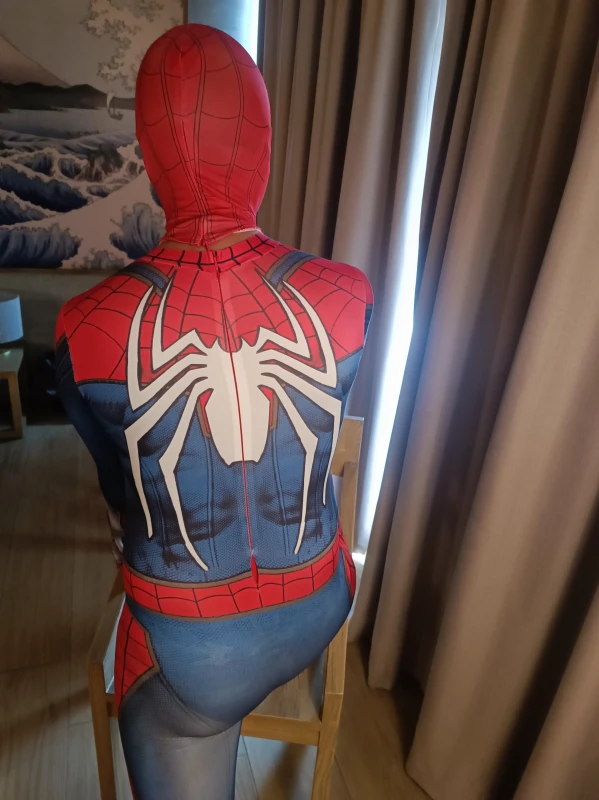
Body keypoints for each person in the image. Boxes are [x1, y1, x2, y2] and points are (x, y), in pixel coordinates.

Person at [55, 23, 373, 800]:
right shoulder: (347, 292)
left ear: (151, 160)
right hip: (323, 598)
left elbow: (120, 496)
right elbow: (314, 429)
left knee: (177, 705)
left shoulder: (82, 324)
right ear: (259, 146)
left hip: (192, 651)